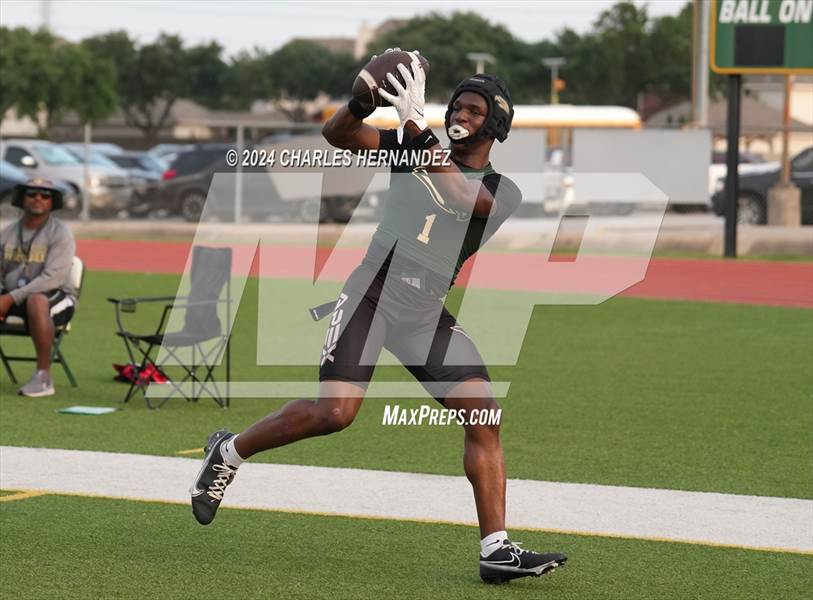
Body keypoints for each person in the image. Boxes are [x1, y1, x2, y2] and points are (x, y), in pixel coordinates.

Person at [190, 50, 567, 584]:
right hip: (371, 295)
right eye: (457, 104)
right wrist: (360, 102)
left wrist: (414, 124)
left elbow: (461, 196)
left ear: (498, 124)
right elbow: (338, 136)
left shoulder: (503, 188)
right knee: (336, 414)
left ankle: (495, 548)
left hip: (423, 312)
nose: (461, 114)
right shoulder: (414, 148)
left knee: (484, 415)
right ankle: (227, 452)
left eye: (476, 111)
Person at [0, 178, 77, 397]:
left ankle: (43, 377)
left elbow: (53, 278)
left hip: (56, 298)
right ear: (22, 198)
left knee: (37, 299)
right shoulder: (6, 233)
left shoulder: (61, 233)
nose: (38, 199)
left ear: (53, 202)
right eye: (32, 193)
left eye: (45, 195)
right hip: (12, 298)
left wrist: (9, 298)